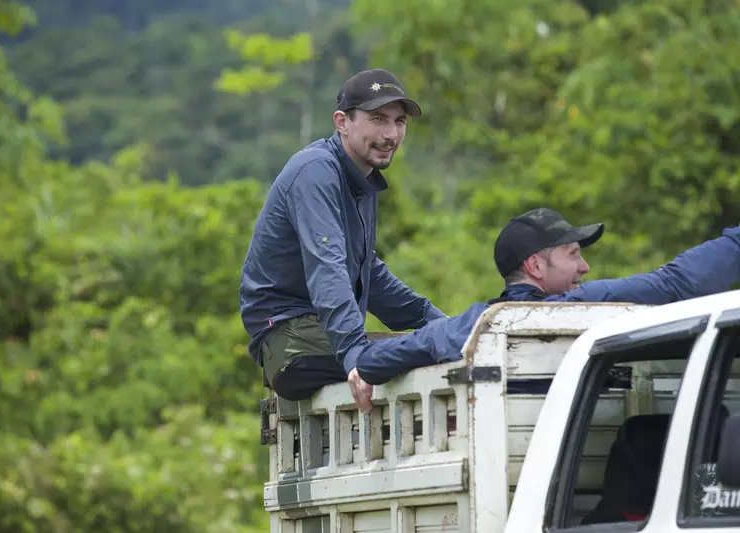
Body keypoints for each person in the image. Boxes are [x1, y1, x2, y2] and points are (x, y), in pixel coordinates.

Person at [351, 207, 740, 397]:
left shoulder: (473, 324)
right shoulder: (584, 303)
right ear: (536, 265)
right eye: (573, 254)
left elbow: (376, 358)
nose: (585, 267)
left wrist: (364, 371)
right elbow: (677, 283)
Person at [239, 68, 446, 404]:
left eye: (399, 121)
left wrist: (437, 320)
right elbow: (328, 267)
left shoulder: (362, 180)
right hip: (293, 342)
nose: (391, 133)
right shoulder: (316, 171)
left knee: (441, 341)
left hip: (321, 338)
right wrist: (355, 354)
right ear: (342, 122)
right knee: (430, 351)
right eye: (378, 119)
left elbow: (370, 275)